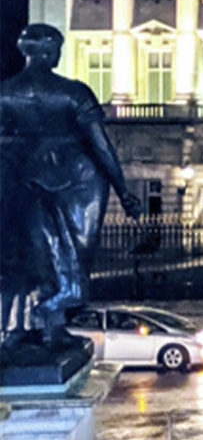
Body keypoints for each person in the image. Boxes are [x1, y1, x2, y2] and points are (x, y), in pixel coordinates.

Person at [0, 24, 144, 348]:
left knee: (23, 255)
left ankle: (20, 328)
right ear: (50, 52)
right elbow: (101, 147)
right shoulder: (73, 92)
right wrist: (124, 192)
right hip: (72, 181)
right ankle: (47, 322)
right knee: (68, 253)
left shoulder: (5, 92)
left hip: (17, 177)